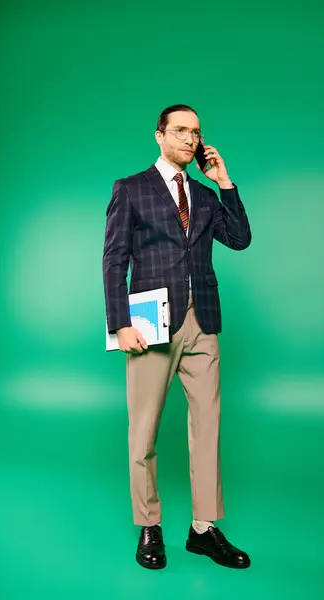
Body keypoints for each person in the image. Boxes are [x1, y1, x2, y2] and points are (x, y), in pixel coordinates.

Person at [103, 104, 252, 570]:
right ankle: (150, 525)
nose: (190, 139)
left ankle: (203, 530)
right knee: (143, 432)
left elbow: (241, 238)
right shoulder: (131, 189)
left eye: (197, 132)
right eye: (181, 131)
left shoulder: (207, 197)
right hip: (149, 325)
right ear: (160, 136)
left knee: (207, 429)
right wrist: (119, 323)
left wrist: (225, 182)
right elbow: (114, 260)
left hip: (202, 322)